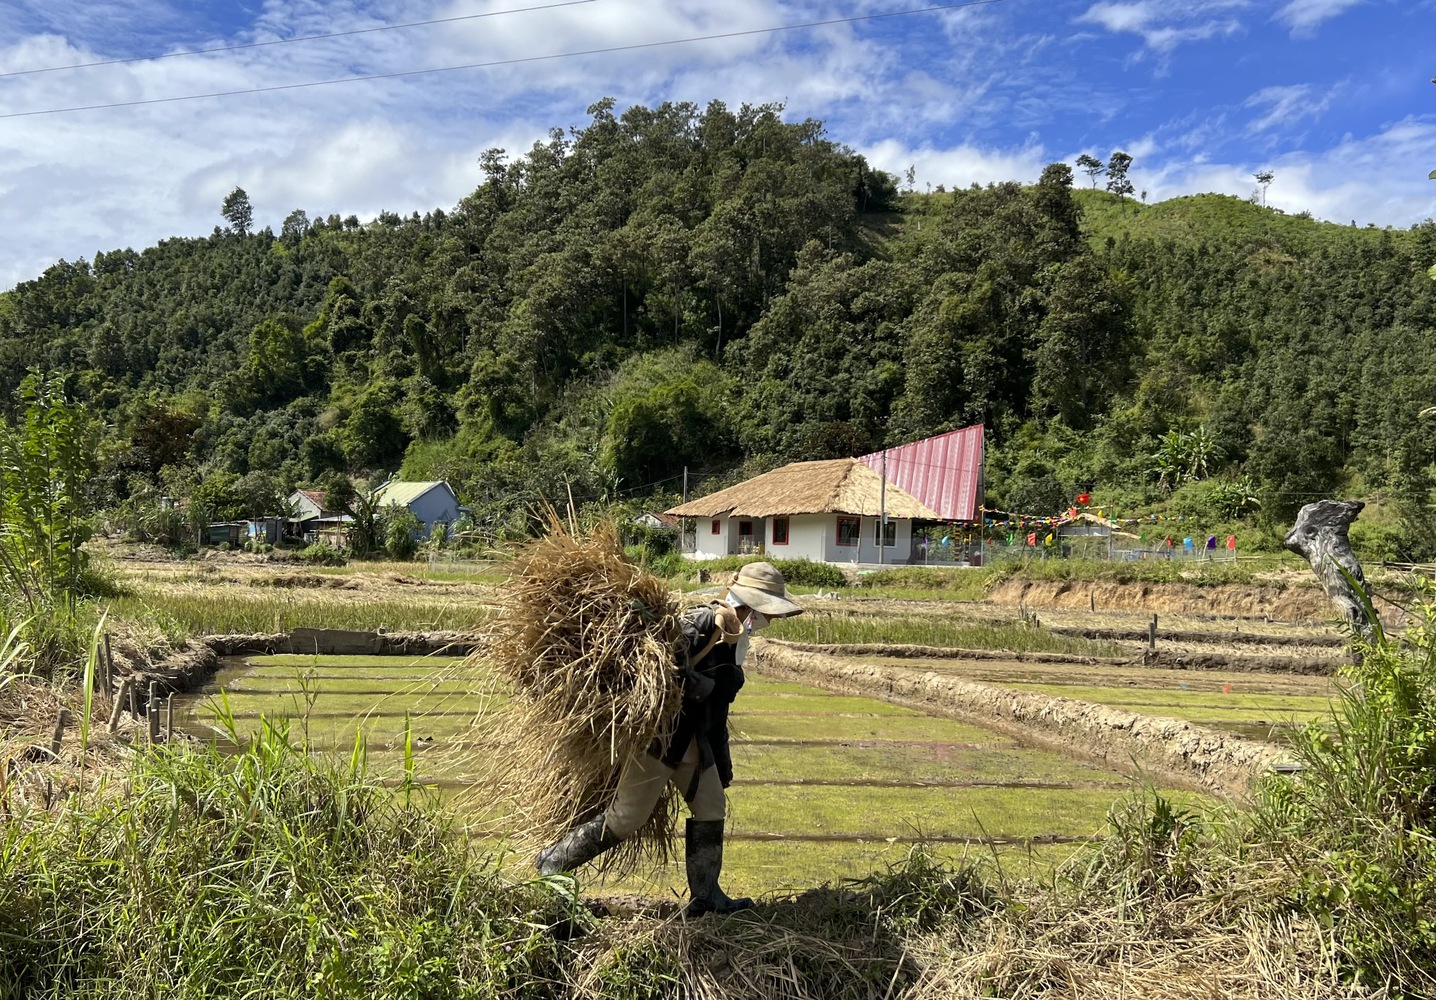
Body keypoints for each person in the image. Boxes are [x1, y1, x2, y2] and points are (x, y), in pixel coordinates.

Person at [535, 561, 803, 916]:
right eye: (764, 612)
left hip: (695, 744)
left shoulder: (735, 636)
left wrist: (722, 761)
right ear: (749, 604)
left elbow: (718, 708)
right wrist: (689, 685)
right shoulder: (699, 624)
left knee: (711, 808)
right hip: (660, 744)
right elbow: (652, 678)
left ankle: (706, 898)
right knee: (625, 819)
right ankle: (552, 863)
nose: (766, 620)